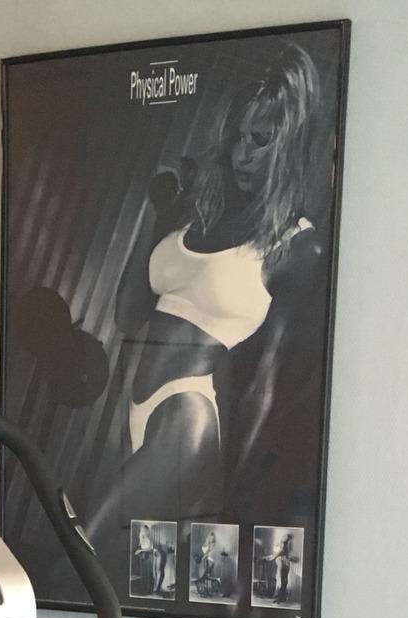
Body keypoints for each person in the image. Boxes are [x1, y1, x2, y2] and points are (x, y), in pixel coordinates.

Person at [91, 42, 329, 553]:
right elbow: (129, 315)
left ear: (290, 145)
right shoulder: (196, 211)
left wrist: (235, 497)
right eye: (238, 138)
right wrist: (160, 213)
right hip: (134, 412)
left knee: (81, 553)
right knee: (135, 577)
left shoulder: (296, 246)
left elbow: (266, 384)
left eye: (261, 140)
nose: (243, 154)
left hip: (188, 416)